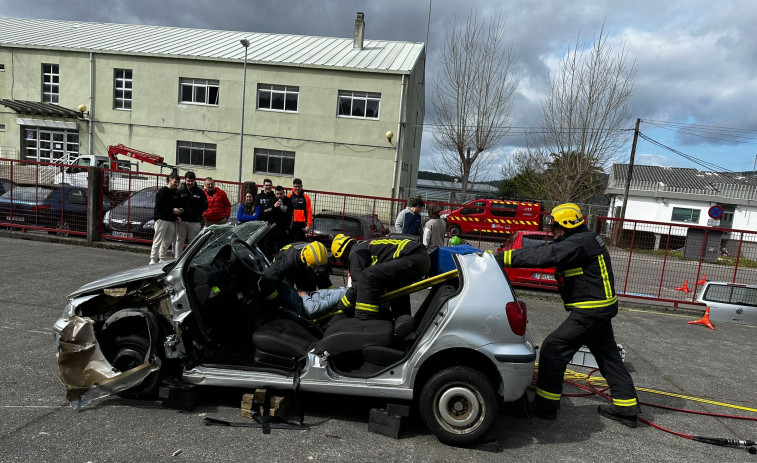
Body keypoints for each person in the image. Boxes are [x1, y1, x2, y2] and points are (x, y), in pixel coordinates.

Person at [496, 203, 641, 427]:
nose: (551, 230)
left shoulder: (579, 243)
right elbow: (548, 251)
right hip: (598, 308)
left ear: (566, 224)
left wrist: (500, 259)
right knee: (608, 356)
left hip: (591, 310)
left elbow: (545, 255)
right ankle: (627, 408)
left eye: (554, 225)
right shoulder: (582, 239)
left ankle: (546, 406)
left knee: (554, 349)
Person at [331, 234, 430, 320]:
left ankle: (365, 320)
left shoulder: (355, 252)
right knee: (394, 288)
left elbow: (357, 285)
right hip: (421, 258)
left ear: (342, 254)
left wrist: (342, 306)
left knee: (367, 275)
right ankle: (403, 323)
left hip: (414, 257)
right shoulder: (363, 247)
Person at [258, 241, 332, 313]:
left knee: (309, 296)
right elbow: (267, 281)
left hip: (304, 270)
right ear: (305, 261)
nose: (317, 272)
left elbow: (324, 281)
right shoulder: (286, 261)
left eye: (319, 269)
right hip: (287, 272)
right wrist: (276, 302)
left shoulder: (321, 259)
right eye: (314, 269)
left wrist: (331, 297)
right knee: (288, 298)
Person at [150, 173, 182, 265]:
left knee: (167, 241)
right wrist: (172, 210)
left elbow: (176, 206)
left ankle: (162, 258)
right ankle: (153, 259)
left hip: (171, 220)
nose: (177, 184)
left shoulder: (176, 193)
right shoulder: (162, 191)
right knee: (158, 239)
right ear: (169, 180)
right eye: (175, 181)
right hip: (161, 219)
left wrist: (177, 215)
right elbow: (159, 206)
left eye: (178, 182)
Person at [174, 171, 208, 258]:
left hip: (195, 222)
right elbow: (175, 204)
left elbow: (205, 205)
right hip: (181, 221)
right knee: (179, 240)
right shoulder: (180, 191)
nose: (190, 183)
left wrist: (198, 214)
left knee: (193, 242)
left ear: (195, 181)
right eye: (188, 181)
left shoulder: (200, 192)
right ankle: (177, 259)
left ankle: (190, 259)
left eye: (192, 181)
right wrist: (178, 215)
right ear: (185, 180)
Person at [261, 185, 294, 259]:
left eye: (281, 194)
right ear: (275, 194)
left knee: (282, 250)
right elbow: (264, 212)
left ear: (284, 193)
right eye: (277, 194)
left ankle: (280, 264)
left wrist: (288, 229)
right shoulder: (271, 200)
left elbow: (291, 216)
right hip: (271, 229)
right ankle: (268, 263)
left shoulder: (288, 201)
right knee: (268, 249)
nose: (279, 196)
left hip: (283, 230)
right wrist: (273, 207)